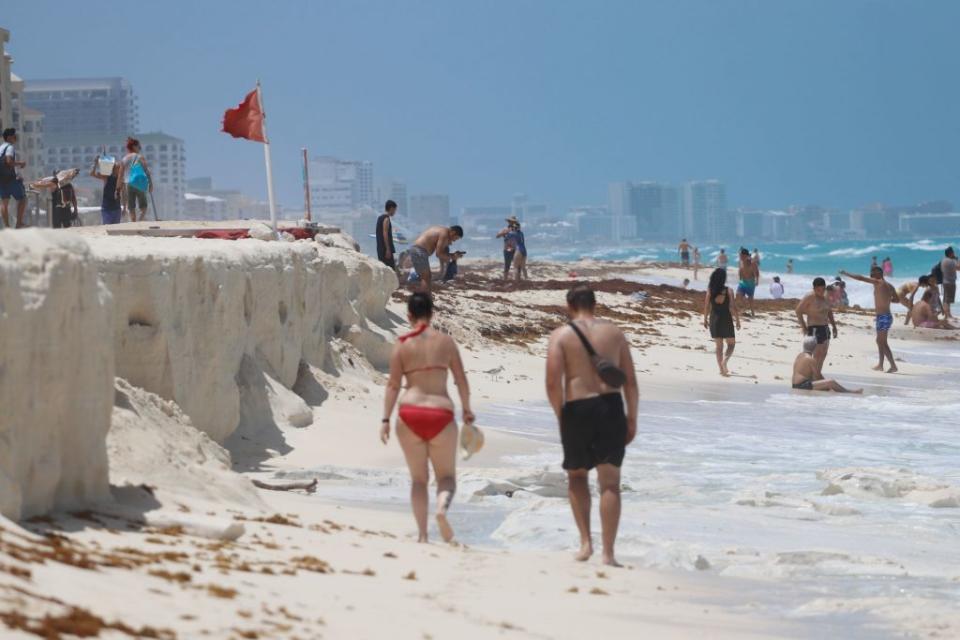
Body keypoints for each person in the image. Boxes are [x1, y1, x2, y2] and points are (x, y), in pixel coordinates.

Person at [545, 285, 638, 566]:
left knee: (577, 477)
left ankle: (586, 544)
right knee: (610, 484)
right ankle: (608, 553)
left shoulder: (561, 335)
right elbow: (630, 382)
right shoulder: (614, 333)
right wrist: (632, 417)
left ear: (570, 305)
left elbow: (552, 382)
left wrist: (561, 415)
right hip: (611, 408)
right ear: (595, 305)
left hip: (577, 408)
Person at [381, 293, 474, 543]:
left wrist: (385, 420)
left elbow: (392, 385)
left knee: (418, 479)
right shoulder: (446, 342)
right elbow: (460, 379)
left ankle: (422, 535)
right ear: (432, 314)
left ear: (409, 315)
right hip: (441, 413)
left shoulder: (402, 343)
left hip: (409, 413)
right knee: (446, 478)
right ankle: (441, 510)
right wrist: (466, 409)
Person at [840, 267, 900, 373]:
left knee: (882, 342)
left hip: (883, 317)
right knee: (880, 341)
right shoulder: (890, 286)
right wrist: (887, 299)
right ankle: (880, 364)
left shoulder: (878, 282)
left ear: (879, 274)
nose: (871, 276)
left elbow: (860, 278)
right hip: (884, 316)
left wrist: (846, 273)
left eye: (872, 274)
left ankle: (893, 365)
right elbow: (897, 300)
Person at [795, 277, 838, 375]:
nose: (821, 292)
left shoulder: (826, 296)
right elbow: (798, 311)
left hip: (825, 328)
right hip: (814, 328)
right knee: (816, 354)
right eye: (818, 290)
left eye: (823, 289)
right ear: (814, 288)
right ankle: (811, 375)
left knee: (823, 353)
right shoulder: (810, 297)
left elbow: (829, 312)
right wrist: (804, 327)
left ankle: (817, 374)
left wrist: (834, 326)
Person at [703, 268, 741, 377]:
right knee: (731, 344)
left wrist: (705, 319)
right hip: (726, 319)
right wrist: (737, 320)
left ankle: (721, 369)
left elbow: (706, 306)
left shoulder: (710, 290)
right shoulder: (729, 290)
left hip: (714, 319)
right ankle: (725, 361)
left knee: (719, 346)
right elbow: (733, 307)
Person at [792, 336, 862, 393]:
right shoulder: (810, 359)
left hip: (795, 384)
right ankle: (849, 392)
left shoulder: (800, 355)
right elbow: (817, 376)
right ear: (815, 347)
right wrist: (827, 384)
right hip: (802, 385)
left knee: (827, 383)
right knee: (831, 382)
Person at [409, 225, 464, 292]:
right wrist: (453, 256)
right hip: (419, 251)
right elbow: (439, 254)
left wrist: (452, 255)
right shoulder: (445, 234)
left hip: (418, 250)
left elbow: (441, 252)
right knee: (426, 278)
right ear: (453, 232)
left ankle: (426, 297)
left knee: (426, 277)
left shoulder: (442, 231)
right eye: (456, 238)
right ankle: (425, 298)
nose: (454, 240)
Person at [0, 128, 28, 229]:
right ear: (9, 137)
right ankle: (18, 224)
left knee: (4, 202)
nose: (16, 137)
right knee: (22, 199)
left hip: (1, 180)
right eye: (14, 135)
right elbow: (8, 161)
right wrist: (20, 163)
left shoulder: (0, 148)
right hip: (10, 179)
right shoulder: (10, 147)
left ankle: (7, 227)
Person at [119, 137, 152, 222]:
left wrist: (118, 188)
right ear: (134, 147)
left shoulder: (124, 159)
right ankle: (140, 221)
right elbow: (146, 171)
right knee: (144, 207)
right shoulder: (140, 157)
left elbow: (120, 175)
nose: (140, 148)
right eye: (139, 146)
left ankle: (133, 223)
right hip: (139, 183)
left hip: (128, 184)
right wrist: (150, 184)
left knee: (131, 207)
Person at [90, 155, 123, 225]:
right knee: (107, 227)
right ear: (114, 169)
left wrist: (125, 207)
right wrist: (95, 163)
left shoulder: (121, 180)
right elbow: (92, 174)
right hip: (107, 208)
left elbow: (124, 193)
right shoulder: (107, 177)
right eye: (118, 168)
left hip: (117, 208)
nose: (120, 170)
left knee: (116, 229)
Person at [375, 200, 398, 270]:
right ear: (391, 209)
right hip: (385, 250)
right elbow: (385, 234)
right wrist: (388, 249)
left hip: (380, 248)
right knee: (391, 270)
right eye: (394, 210)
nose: (395, 212)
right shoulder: (386, 219)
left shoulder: (380, 218)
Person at [736, 249, 759, 317]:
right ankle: (743, 310)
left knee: (750, 299)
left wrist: (757, 280)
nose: (739, 256)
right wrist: (739, 278)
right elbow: (740, 270)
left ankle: (752, 313)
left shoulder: (752, 262)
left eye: (740, 255)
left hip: (750, 283)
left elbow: (756, 272)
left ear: (745, 255)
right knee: (738, 295)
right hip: (742, 282)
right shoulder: (740, 262)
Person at [940, 247, 957, 319]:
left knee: (946, 299)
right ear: (951, 253)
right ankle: (948, 315)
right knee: (948, 300)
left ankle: (945, 314)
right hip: (950, 282)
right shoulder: (951, 261)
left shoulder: (943, 260)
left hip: (944, 281)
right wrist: (957, 259)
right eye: (953, 252)